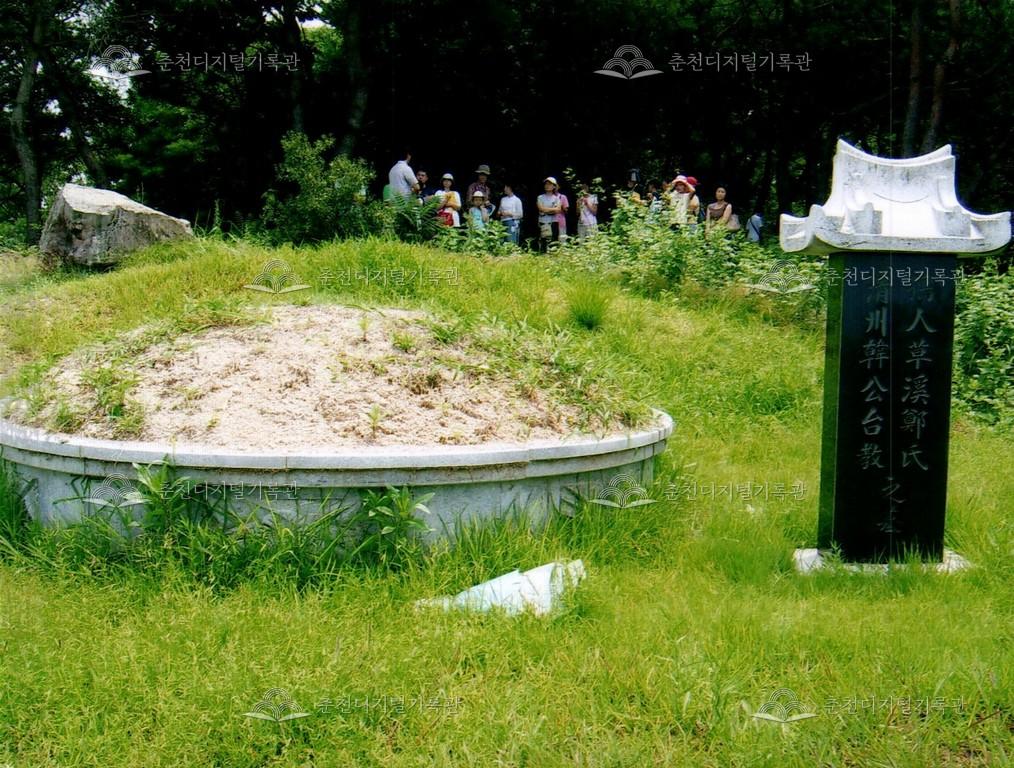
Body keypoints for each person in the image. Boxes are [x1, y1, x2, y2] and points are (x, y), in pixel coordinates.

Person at [537, 176, 564, 250]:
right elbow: (541, 209)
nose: (547, 186)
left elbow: (558, 210)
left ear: (554, 186)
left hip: (554, 222)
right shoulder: (540, 197)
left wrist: (546, 210)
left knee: (554, 242)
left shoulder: (557, 198)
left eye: (549, 184)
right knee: (543, 242)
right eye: (546, 184)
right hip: (543, 222)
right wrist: (552, 209)